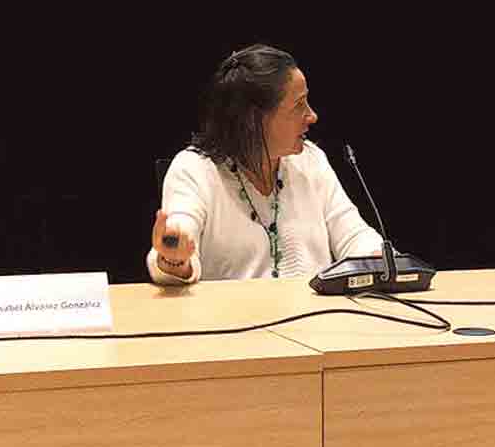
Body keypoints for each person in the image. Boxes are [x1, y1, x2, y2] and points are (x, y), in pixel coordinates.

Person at [148, 45, 381, 284]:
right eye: (299, 105)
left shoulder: (312, 160)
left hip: (318, 318)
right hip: (235, 320)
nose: (312, 116)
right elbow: (179, 235)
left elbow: (353, 235)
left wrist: (384, 261)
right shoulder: (194, 169)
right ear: (254, 119)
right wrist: (174, 259)